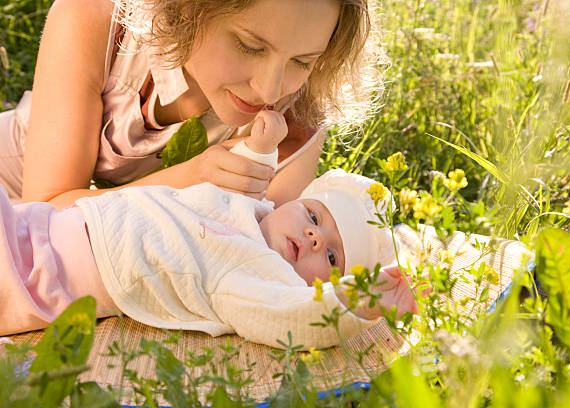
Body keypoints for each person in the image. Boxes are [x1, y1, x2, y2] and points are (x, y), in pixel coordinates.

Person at [0, 116, 415, 349]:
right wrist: (263, 144)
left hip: (39, 274)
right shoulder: (257, 209)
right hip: (39, 222)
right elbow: (252, 174)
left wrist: (359, 301)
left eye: (330, 258)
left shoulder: (259, 274)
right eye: (312, 216)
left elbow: (292, 317)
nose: (313, 238)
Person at [0, 0, 385, 209]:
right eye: (249, 45)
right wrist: (192, 179)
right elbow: (44, 219)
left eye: (302, 61)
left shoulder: (296, 114)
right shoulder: (93, 19)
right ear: (188, 9)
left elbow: (256, 251)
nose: (269, 90)